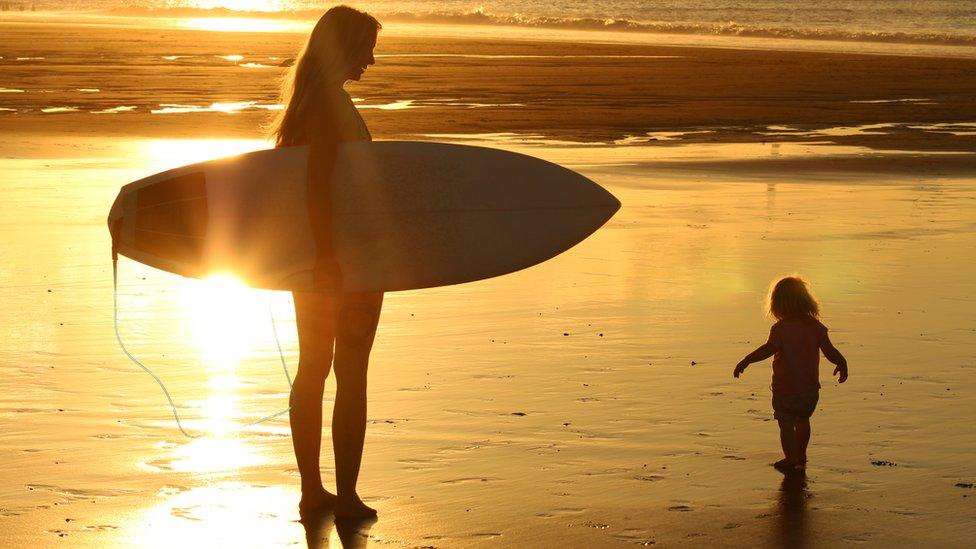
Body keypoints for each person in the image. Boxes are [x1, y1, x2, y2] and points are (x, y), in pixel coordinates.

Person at [270, 5, 382, 518]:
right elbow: (317, 188)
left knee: (315, 368)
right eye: (366, 48)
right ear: (344, 47)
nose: (372, 61)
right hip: (343, 259)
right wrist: (329, 257)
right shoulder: (327, 108)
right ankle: (339, 493)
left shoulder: (312, 101)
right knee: (348, 370)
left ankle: (316, 491)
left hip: (323, 257)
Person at [733, 276, 848, 471]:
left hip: (785, 389)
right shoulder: (816, 327)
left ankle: (790, 457)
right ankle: (801, 454)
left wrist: (747, 360)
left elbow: (768, 349)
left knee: (786, 424)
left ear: (777, 305)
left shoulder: (780, 329)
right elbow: (830, 350)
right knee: (803, 420)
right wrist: (842, 362)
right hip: (809, 390)